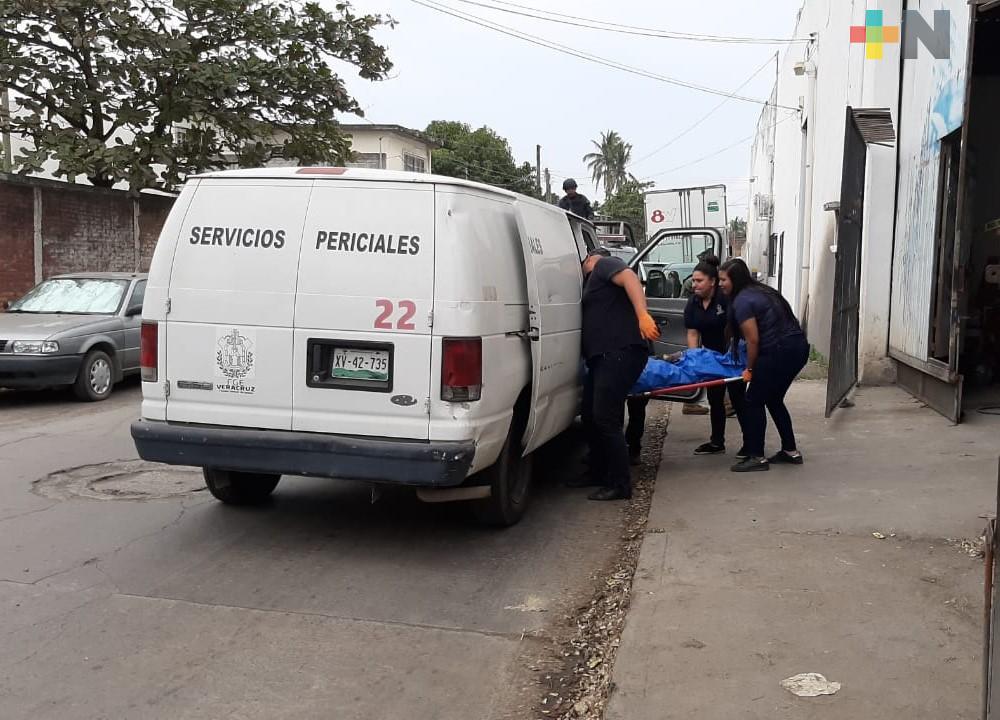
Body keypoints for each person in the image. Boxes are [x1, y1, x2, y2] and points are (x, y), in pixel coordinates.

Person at [575, 248, 660, 501]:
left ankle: (620, 485)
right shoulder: (595, 282)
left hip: (619, 352)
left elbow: (630, 278)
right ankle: (598, 472)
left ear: (589, 258)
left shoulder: (603, 264)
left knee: (605, 418)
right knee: (589, 414)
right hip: (603, 357)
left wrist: (642, 315)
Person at [719, 258, 809, 472]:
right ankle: (790, 451)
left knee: (752, 401)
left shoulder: (742, 302)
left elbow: (753, 340)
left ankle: (756, 456)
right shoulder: (764, 291)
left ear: (735, 279)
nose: (720, 284)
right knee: (774, 399)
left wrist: (750, 369)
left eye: (723, 279)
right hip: (798, 348)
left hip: (778, 352)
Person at [684, 255, 746, 456]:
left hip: (732, 356)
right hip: (711, 358)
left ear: (712, 282)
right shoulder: (693, 303)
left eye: (699, 280)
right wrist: (696, 360)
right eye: (693, 280)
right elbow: (693, 332)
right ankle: (717, 442)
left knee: (738, 400)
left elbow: (738, 327)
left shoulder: (725, 298)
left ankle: (751, 443)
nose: (695, 285)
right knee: (715, 399)